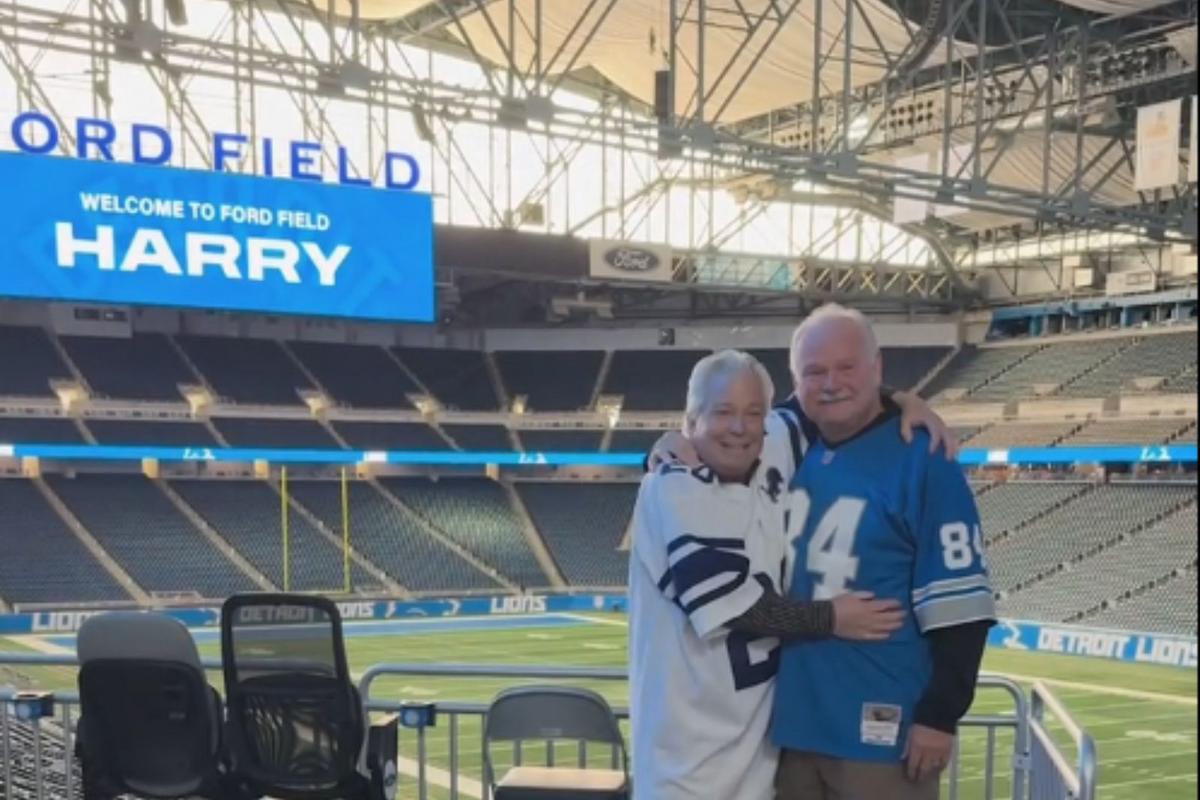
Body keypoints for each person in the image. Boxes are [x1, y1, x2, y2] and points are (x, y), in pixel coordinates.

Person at [629, 350, 906, 800]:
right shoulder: (674, 485)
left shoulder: (771, 442)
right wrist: (832, 617)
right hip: (684, 768)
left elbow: (830, 393)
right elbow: (741, 609)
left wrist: (905, 401)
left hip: (758, 761)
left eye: (753, 412)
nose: (739, 427)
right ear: (691, 421)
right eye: (722, 412)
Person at [772, 304, 996, 800]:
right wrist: (668, 447)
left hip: (882, 738)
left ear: (877, 367)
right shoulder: (788, 446)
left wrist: (940, 715)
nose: (831, 383)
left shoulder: (925, 459)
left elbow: (963, 607)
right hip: (793, 730)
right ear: (796, 383)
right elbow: (715, 430)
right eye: (814, 371)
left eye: (847, 366)